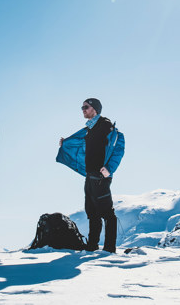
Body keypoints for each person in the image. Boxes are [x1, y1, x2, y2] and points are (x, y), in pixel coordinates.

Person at [56, 98, 125, 252]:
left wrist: (109, 168)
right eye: (82, 107)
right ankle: (92, 246)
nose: (83, 110)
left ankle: (109, 248)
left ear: (95, 109)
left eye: (86, 107)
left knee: (107, 213)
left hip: (101, 176)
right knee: (92, 213)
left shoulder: (105, 125)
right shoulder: (89, 129)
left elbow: (118, 148)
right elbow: (79, 143)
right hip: (90, 175)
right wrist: (66, 143)